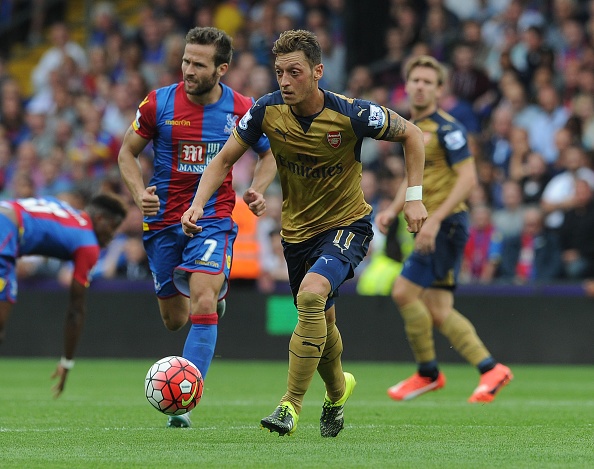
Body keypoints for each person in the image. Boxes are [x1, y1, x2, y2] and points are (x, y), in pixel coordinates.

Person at [181, 29, 427, 437]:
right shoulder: (266, 110)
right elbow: (223, 160)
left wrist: (414, 198)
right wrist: (197, 204)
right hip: (296, 235)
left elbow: (413, 134)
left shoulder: (351, 113)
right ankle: (337, 394)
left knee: (311, 296)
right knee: (321, 321)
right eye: (279, 72)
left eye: (294, 72)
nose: (285, 81)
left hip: (346, 225)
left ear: (317, 72)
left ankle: (290, 405)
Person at [117, 26, 275, 428]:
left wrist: (258, 188)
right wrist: (138, 194)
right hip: (162, 221)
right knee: (174, 318)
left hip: (212, 218)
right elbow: (126, 153)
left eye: (199, 64)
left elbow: (269, 154)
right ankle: (210, 301)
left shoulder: (242, 108)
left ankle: (185, 401)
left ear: (221, 69)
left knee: (202, 300)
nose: (188, 69)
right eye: (186, 61)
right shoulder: (158, 103)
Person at [375, 55, 513, 404]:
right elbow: (413, 178)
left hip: (444, 225)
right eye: (416, 80)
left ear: (439, 89)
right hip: (431, 224)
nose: (420, 86)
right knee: (438, 309)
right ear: (407, 86)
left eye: (428, 82)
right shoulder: (411, 129)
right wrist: (391, 209)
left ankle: (427, 373)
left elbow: (468, 179)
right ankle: (490, 369)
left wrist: (434, 222)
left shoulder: (448, 129)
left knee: (403, 292)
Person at [0, 193, 127, 397]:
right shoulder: (88, 244)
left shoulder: (64, 209)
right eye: (113, 227)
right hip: (6, 229)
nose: (112, 236)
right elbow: (76, 309)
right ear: (100, 219)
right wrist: (67, 361)